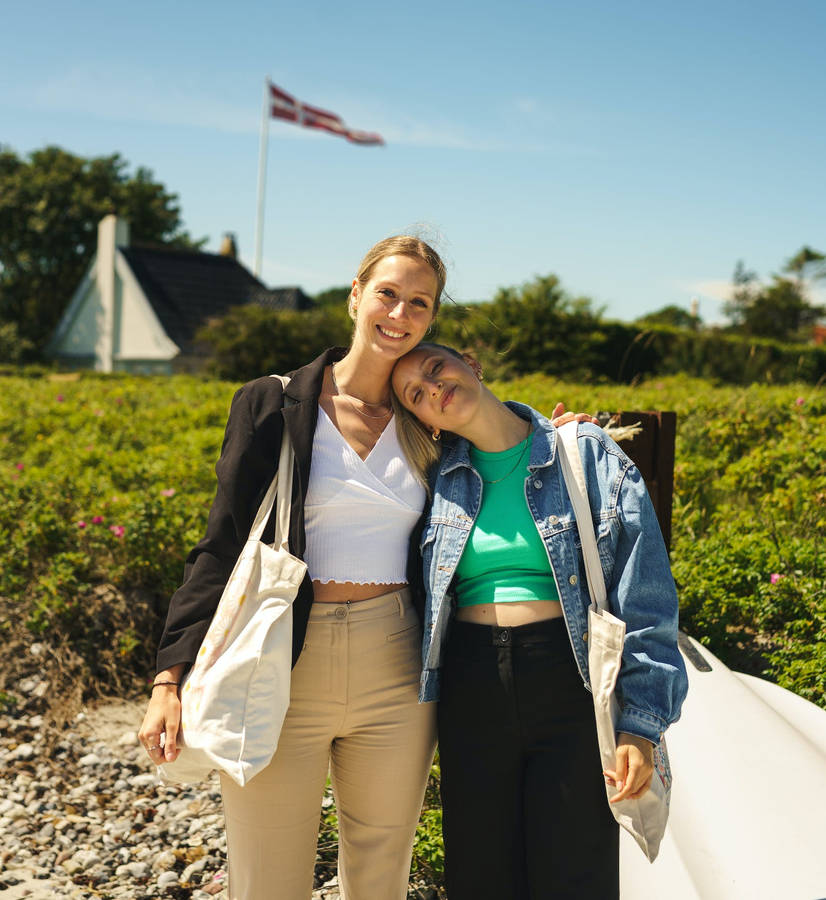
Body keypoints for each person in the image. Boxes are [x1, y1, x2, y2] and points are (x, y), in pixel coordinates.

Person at [138, 236, 447, 900]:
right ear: (356, 295)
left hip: (395, 665)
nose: (400, 312)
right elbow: (221, 544)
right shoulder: (272, 403)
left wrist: (566, 436)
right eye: (388, 293)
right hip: (281, 657)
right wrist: (170, 678)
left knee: (381, 875)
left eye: (419, 303)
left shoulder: (432, 422)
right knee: (266, 878)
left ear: (431, 318)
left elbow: (506, 463)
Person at [391, 342, 689, 900]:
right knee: (481, 874)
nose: (433, 388)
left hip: (571, 677)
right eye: (416, 394)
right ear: (422, 421)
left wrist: (641, 723)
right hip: (470, 684)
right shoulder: (433, 478)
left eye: (436, 368)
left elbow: (645, 593)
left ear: (472, 364)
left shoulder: (585, 454)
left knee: (575, 872)